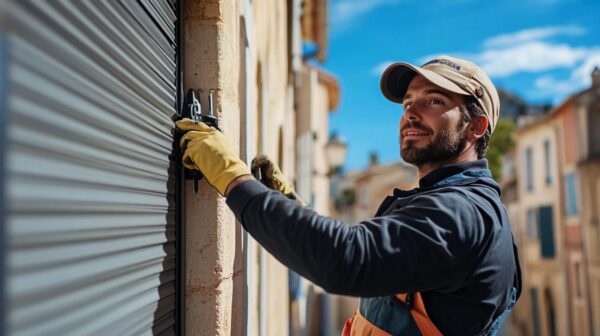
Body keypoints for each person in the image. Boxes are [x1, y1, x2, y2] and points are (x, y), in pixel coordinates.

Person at [175, 55, 521, 336]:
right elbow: (384, 261)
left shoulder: (462, 211)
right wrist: (293, 206)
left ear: (477, 126)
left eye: (434, 101)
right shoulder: (450, 202)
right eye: (407, 103)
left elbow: (346, 258)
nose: (411, 113)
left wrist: (232, 177)